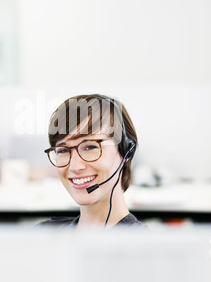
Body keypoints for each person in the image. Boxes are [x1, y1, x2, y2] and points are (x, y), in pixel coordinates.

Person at [40, 93, 146, 229]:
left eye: (90, 147)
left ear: (126, 151)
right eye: (63, 150)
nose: (74, 166)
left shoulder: (141, 245)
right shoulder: (44, 234)